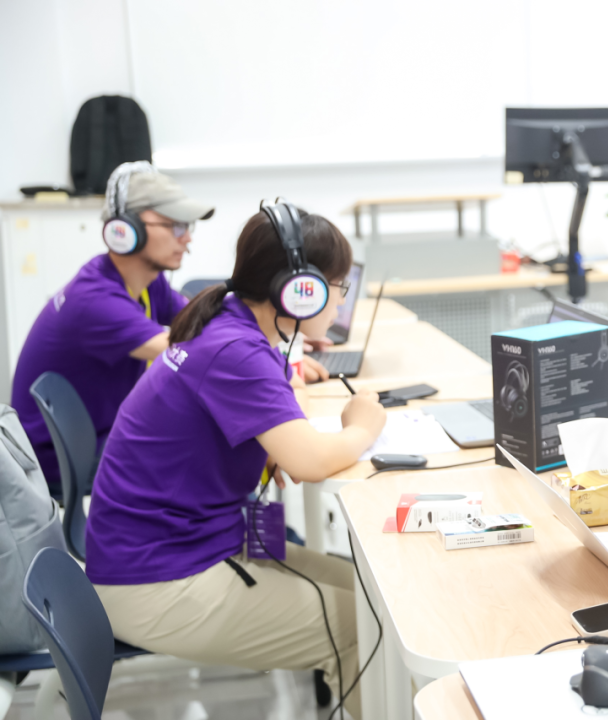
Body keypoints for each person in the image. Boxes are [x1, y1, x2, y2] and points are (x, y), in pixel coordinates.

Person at [85, 205, 386, 720]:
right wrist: (363, 425)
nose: (341, 300)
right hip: (159, 580)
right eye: (337, 286)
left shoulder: (231, 323)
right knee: (364, 628)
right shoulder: (236, 351)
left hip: (186, 548)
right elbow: (310, 462)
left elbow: (279, 436)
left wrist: (277, 447)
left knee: (376, 598)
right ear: (299, 291)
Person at [10, 163, 213, 492]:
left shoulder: (146, 282)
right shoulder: (95, 300)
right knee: (205, 456)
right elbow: (190, 354)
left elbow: (201, 319)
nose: (187, 238)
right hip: (62, 463)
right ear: (125, 230)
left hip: (98, 437)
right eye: (176, 226)